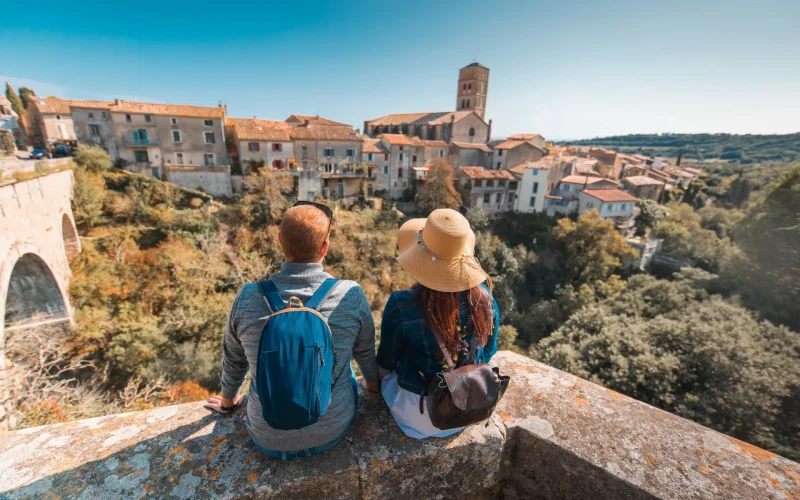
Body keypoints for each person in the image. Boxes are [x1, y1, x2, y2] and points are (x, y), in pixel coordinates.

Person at [204, 202, 380, 460]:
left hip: (266, 434)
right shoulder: (349, 295)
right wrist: (373, 388)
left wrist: (228, 401)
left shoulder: (248, 297)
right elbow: (365, 353)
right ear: (325, 248)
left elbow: (235, 360)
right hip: (332, 428)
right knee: (347, 370)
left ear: (279, 241)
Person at [378, 209, 500, 439]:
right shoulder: (485, 300)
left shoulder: (402, 305)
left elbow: (386, 363)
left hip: (418, 413)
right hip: (467, 408)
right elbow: (490, 352)